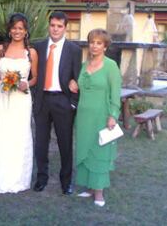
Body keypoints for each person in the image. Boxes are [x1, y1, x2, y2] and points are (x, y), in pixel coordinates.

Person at [0, 13, 38, 193]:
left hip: (21, 99)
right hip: (3, 97)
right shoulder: (0, 49)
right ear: (9, 30)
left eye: (21, 28)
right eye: (14, 28)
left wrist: (26, 83)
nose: (17, 31)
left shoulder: (31, 53)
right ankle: (0, 177)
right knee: (2, 134)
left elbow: (35, 78)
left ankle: (18, 178)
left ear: (26, 31)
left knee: (19, 135)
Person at [69, 28, 122, 207]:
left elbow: (116, 94)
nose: (94, 46)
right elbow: (80, 86)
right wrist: (73, 83)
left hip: (101, 116)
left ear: (105, 46)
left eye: (99, 43)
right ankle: (90, 187)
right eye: (92, 42)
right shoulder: (84, 65)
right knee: (85, 149)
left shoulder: (111, 66)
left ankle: (99, 192)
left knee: (99, 152)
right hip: (83, 116)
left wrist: (113, 115)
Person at [33, 11, 82, 195]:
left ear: (65, 28)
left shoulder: (74, 50)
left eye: (59, 26)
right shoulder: (38, 47)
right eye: (53, 25)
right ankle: (41, 177)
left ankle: (66, 180)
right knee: (41, 142)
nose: (55, 29)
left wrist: (73, 103)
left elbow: (77, 78)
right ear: (49, 25)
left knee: (65, 143)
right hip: (42, 100)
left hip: (63, 101)